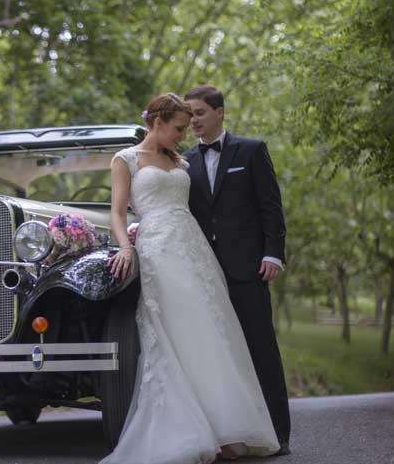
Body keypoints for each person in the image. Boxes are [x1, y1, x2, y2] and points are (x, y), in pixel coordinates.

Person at [102, 92, 279, 464]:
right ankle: (190, 431)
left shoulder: (181, 160)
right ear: (158, 122)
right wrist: (125, 247)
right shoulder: (126, 160)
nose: (184, 135)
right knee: (174, 336)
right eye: (179, 128)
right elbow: (117, 212)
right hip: (157, 251)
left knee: (210, 334)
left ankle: (226, 428)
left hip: (195, 251)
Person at [182, 84, 291, 456]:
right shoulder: (184, 161)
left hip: (248, 267)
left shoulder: (252, 150)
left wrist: (273, 253)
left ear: (219, 112)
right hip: (203, 271)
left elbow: (270, 207)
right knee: (217, 355)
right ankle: (230, 436)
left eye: (198, 112)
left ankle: (279, 435)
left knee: (262, 350)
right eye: (189, 114)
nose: (192, 120)